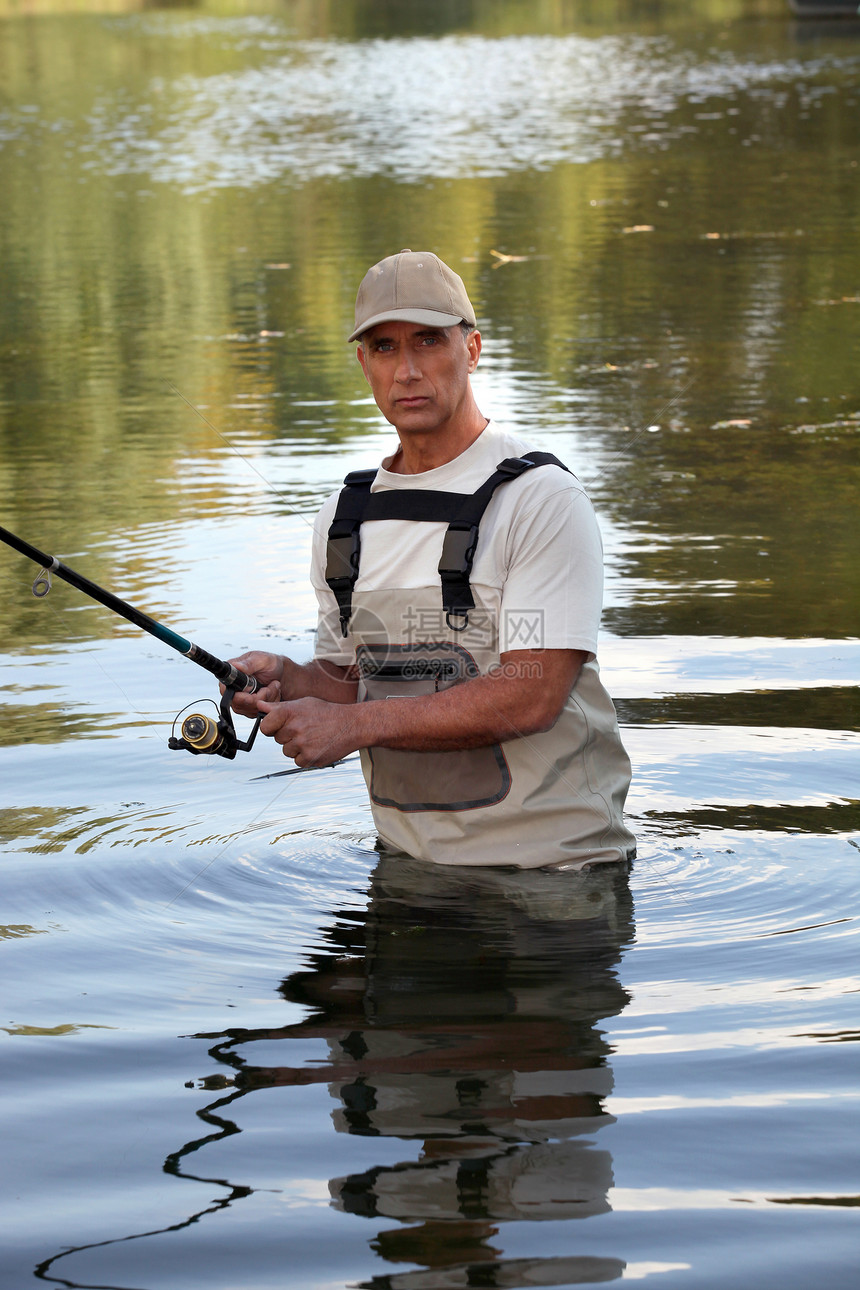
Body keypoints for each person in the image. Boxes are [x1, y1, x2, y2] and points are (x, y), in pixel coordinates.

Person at [229, 248, 635, 869]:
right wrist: (289, 680)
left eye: (427, 341)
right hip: (405, 871)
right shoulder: (344, 515)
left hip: (556, 883)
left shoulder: (539, 498)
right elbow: (349, 681)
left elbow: (533, 693)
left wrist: (356, 729)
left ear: (471, 350)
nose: (407, 371)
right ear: (363, 363)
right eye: (385, 348)